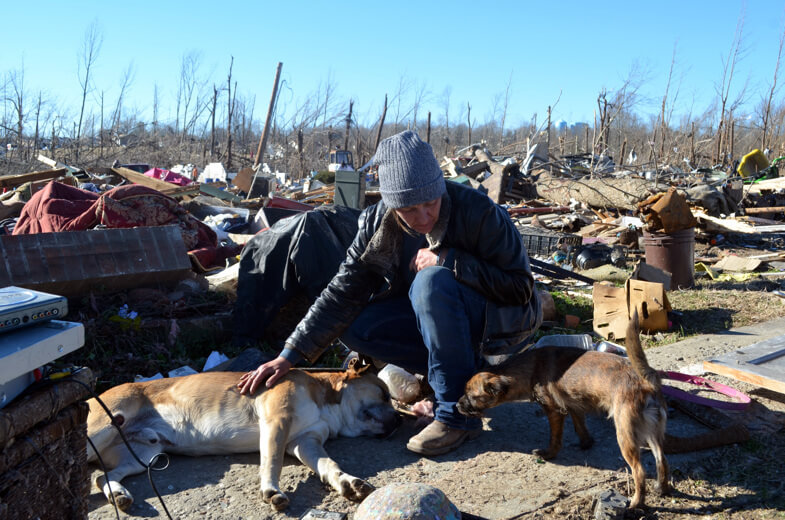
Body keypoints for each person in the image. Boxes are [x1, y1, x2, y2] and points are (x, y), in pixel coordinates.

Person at [238, 130, 541, 456]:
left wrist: (449, 261)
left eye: (431, 203)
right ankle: (455, 374)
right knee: (357, 326)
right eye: (410, 209)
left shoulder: (479, 213)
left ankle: (456, 414)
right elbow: (342, 293)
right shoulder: (375, 225)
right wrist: (289, 355)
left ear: (441, 189)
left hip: (499, 321)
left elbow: (521, 290)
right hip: (440, 320)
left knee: (430, 282)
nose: (424, 217)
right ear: (392, 204)